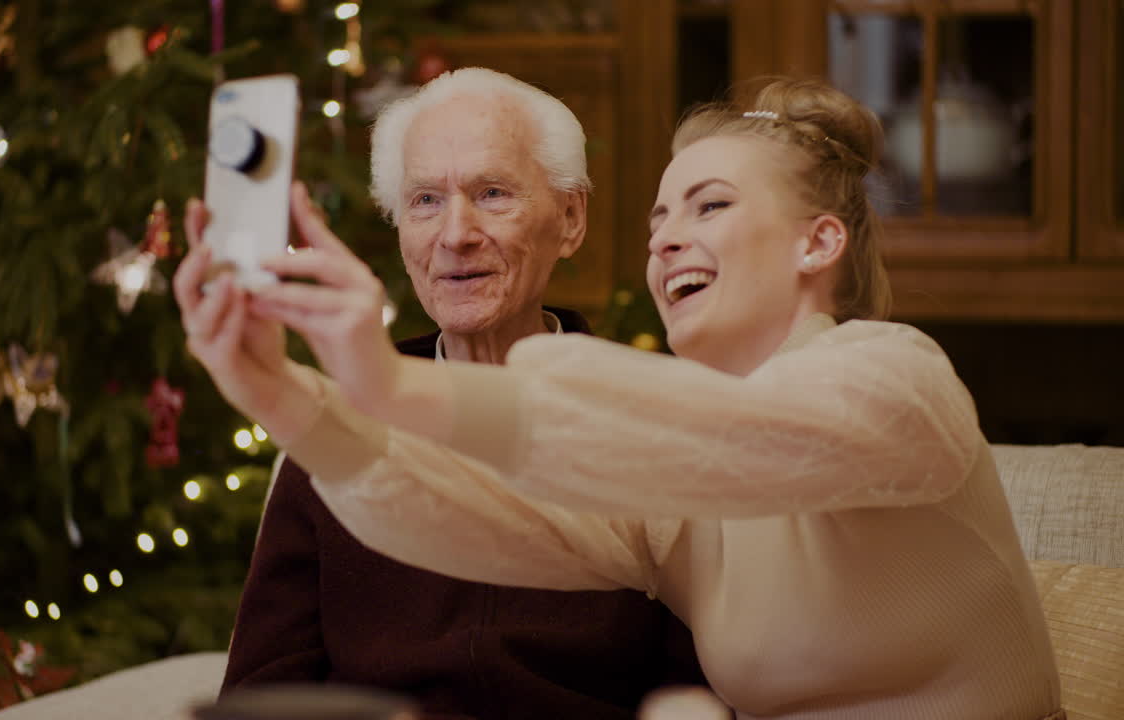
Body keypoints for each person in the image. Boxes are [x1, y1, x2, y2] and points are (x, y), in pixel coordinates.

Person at [209, 76, 1065, 719]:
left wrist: (387, 383)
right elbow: (474, 516)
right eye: (659, 220)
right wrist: (288, 398)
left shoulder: (899, 379)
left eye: (710, 205)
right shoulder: (674, 499)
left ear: (819, 241)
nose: (666, 242)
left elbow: (766, 439)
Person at [181, 68, 703, 719]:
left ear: (570, 219)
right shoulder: (332, 422)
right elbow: (263, 687)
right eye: (425, 200)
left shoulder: (652, 418)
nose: (456, 234)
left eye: (491, 193)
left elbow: (702, 683)